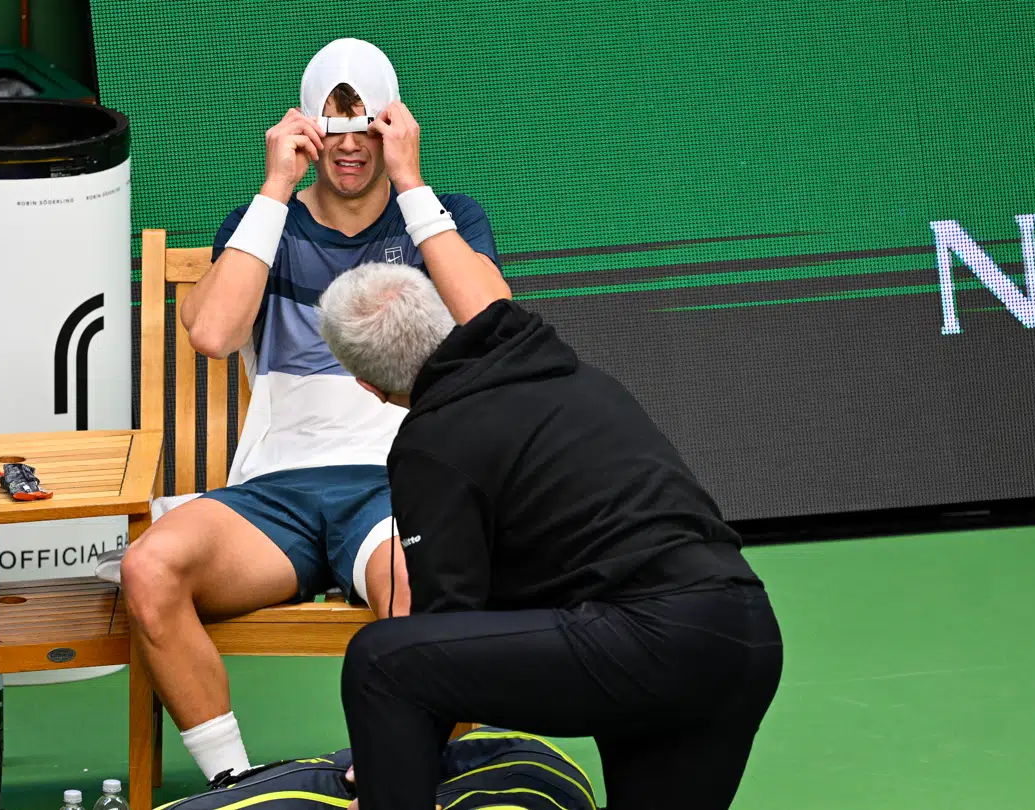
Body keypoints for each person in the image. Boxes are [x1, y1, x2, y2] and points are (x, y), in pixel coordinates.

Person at [117, 38, 512, 783]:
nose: (351, 146)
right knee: (150, 566)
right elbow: (211, 333)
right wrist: (274, 190)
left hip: (399, 485)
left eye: (367, 126)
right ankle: (237, 785)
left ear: (393, 124)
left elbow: (495, 320)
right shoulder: (264, 224)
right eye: (335, 128)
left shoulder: (443, 217)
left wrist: (412, 183)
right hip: (276, 494)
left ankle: (395, 771)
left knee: (441, 587)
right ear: (305, 128)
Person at [315, 263, 784, 810]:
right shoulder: (572, 374)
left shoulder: (432, 442)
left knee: (381, 662)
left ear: (368, 386)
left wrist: (388, 767)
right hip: (745, 635)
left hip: (646, 639)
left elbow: (445, 618)